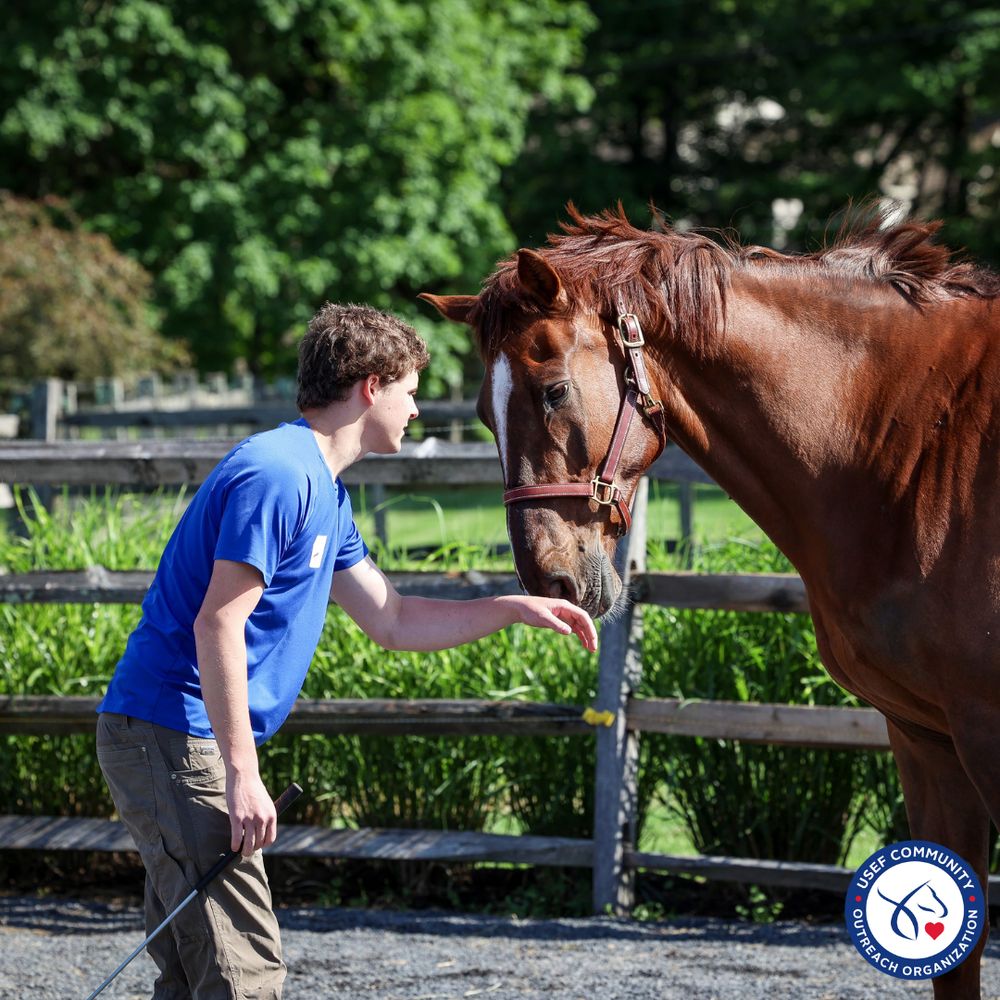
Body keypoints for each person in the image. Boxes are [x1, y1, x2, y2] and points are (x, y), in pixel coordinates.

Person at [95, 302, 597, 1000]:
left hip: (177, 736)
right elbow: (218, 624)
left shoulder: (321, 490)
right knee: (243, 977)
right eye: (411, 391)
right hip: (173, 734)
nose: (416, 410)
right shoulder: (279, 475)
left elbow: (391, 619)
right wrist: (243, 774)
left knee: (194, 975)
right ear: (371, 385)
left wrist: (512, 608)